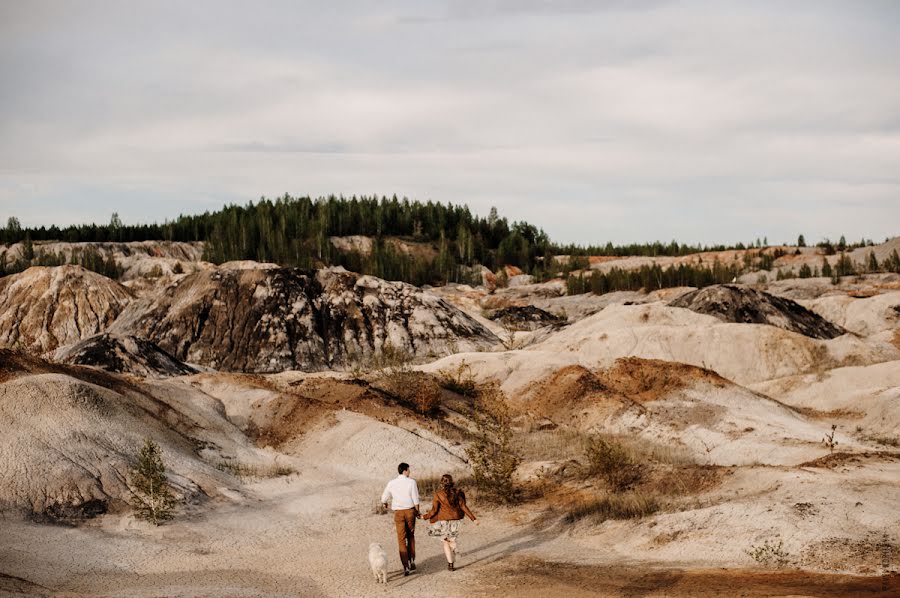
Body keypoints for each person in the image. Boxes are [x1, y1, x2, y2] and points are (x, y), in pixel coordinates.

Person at [422, 474, 478, 571]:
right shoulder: (458, 492)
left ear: (441, 483)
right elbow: (463, 506)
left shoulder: (438, 494)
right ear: (452, 482)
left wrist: (425, 516)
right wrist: (473, 519)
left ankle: (450, 563)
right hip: (456, 520)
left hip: (443, 520)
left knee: (445, 541)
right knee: (450, 539)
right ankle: (454, 550)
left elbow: (434, 510)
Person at [381, 462, 420, 576]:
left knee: (401, 539)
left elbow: (384, 497)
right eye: (408, 470)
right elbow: (416, 499)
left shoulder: (392, 483)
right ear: (404, 471)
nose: (410, 472)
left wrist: (385, 503)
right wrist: (417, 511)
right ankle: (411, 560)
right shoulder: (412, 482)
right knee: (411, 536)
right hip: (410, 512)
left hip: (398, 513)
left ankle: (405, 566)